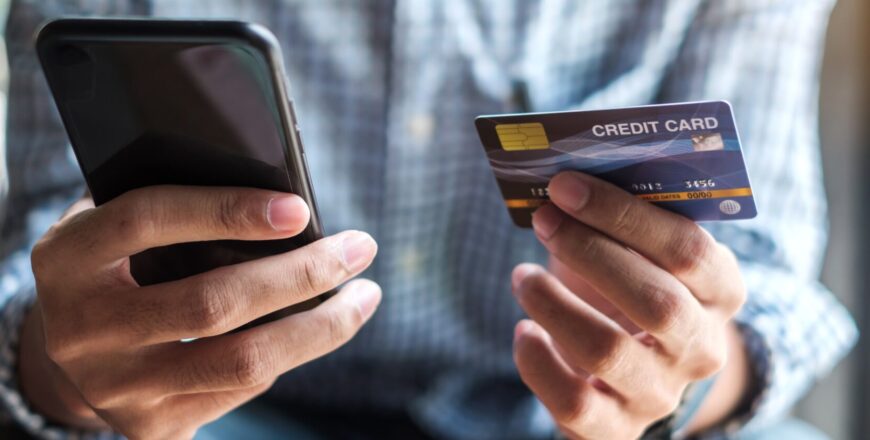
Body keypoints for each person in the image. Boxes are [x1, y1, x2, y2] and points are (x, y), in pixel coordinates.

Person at [0, 1, 857, 439]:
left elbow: (767, 278)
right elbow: (39, 251)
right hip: (210, 417)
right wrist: (64, 370)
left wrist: (681, 382)